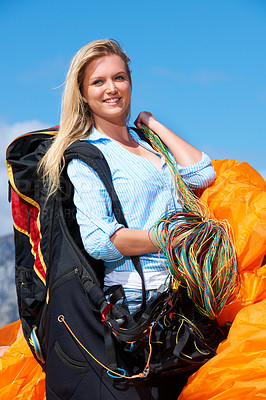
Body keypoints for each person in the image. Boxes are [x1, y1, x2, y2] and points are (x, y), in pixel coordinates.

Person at [39, 38, 216, 399]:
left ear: (130, 81)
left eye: (119, 77)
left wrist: (151, 123)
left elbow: (201, 172)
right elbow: (102, 240)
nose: (111, 89)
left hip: (183, 298)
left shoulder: (147, 143)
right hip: (140, 309)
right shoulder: (87, 158)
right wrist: (170, 238)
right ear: (83, 94)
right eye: (98, 82)